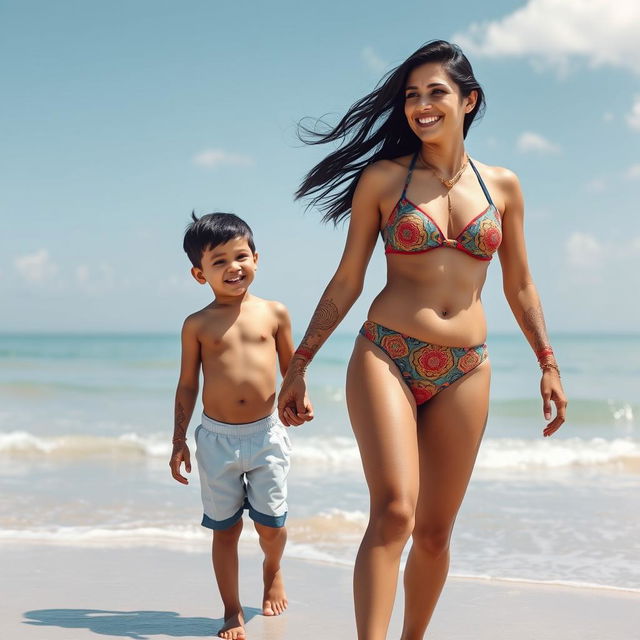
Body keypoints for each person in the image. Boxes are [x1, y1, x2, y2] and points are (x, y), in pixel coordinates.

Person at [277, 40, 567, 639]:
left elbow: (520, 285)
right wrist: (300, 361)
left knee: (435, 532)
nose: (421, 105)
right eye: (412, 96)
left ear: (469, 100)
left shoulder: (503, 187)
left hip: (467, 367)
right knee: (395, 513)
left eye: (436, 92)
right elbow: (348, 278)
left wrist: (548, 363)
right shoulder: (383, 179)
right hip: (387, 353)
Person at [169, 212, 309, 640]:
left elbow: (293, 370)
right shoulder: (197, 324)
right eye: (219, 262)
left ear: (256, 258)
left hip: (266, 433)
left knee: (273, 526)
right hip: (216, 439)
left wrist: (299, 399)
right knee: (225, 528)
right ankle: (232, 610)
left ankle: (272, 570)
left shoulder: (275, 313)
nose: (234, 267)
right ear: (199, 274)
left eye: (241, 256)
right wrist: (178, 440)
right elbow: (188, 384)